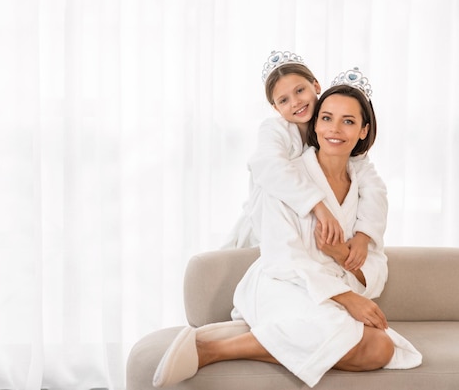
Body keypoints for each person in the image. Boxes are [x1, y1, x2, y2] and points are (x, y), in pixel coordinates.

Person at [153, 69, 422, 388]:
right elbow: (284, 257)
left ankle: (255, 340)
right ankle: (213, 350)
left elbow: (375, 263)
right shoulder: (287, 179)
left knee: (381, 349)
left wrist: (342, 254)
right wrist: (347, 297)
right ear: (315, 123)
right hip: (283, 282)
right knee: (363, 341)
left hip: (328, 291)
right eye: (326, 118)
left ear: (364, 131)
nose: (334, 129)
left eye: (348, 121)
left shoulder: (365, 187)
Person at [222, 51, 388, 272]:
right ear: (275, 108)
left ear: (316, 85)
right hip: (268, 226)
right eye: (284, 100)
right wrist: (319, 207)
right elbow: (271, 168)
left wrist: (364, 234)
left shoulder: (333, 131)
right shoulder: (274, 130)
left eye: (300, 90)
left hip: (311, 240)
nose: (296, 102)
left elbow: (374, 188)